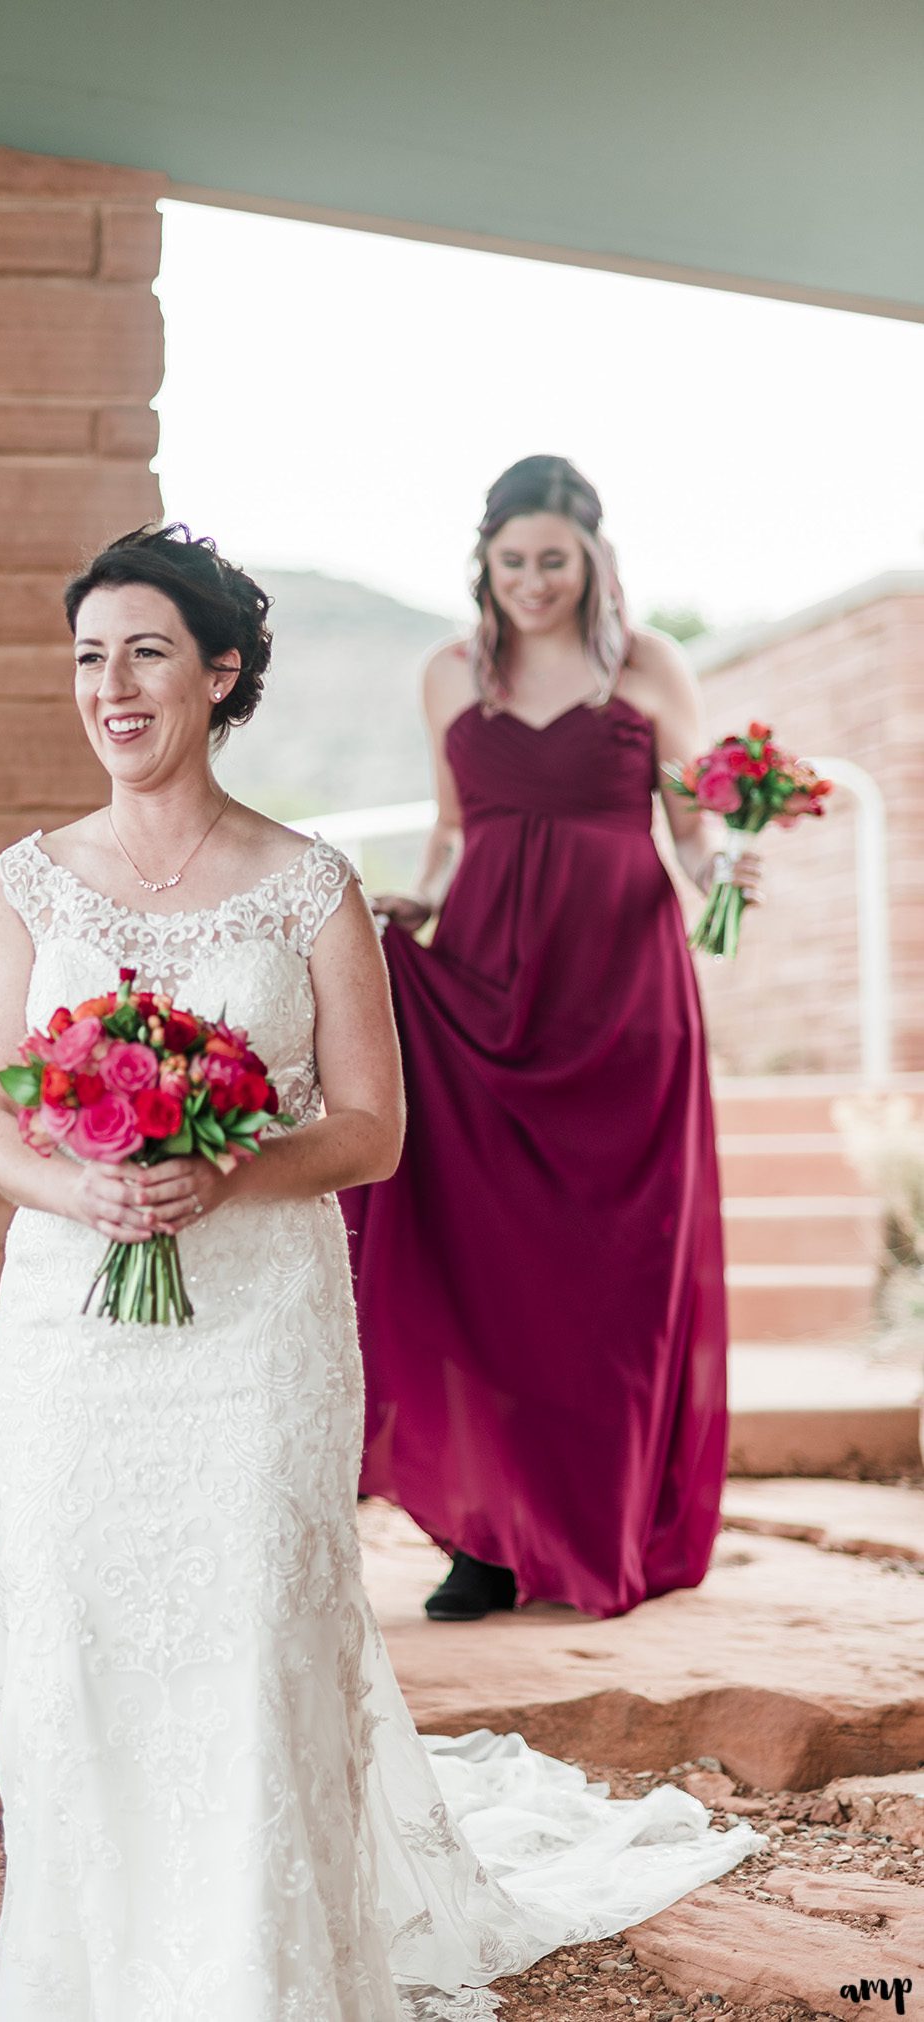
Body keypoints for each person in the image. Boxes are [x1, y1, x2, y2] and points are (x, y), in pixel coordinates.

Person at [0, 522, 759, 2021]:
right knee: (72, 1643)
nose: (110, 685)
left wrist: (224, 1166)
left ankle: (258, 1973)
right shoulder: (27, 883)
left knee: (252, 1638)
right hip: (70, 1332)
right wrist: (83, 1178)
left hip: (256, 1330)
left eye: (144, 651)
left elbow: (374, 1131)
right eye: (86, 655)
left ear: (222, 671)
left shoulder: (308, 881)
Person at [349, 454, 762, 1625]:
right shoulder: (446, 673)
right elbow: (447, 829)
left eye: (554, 560)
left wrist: (725, 870)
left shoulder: (647, 665)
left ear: (593, 559)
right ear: (485, 561)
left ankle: (605, 1521)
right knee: (490, 1258)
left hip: (625, 991)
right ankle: (483, 1539)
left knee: (619, 1269)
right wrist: (415, 906)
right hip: (486, 984)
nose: (532, 581)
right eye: (513, 560)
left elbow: (689, 822)